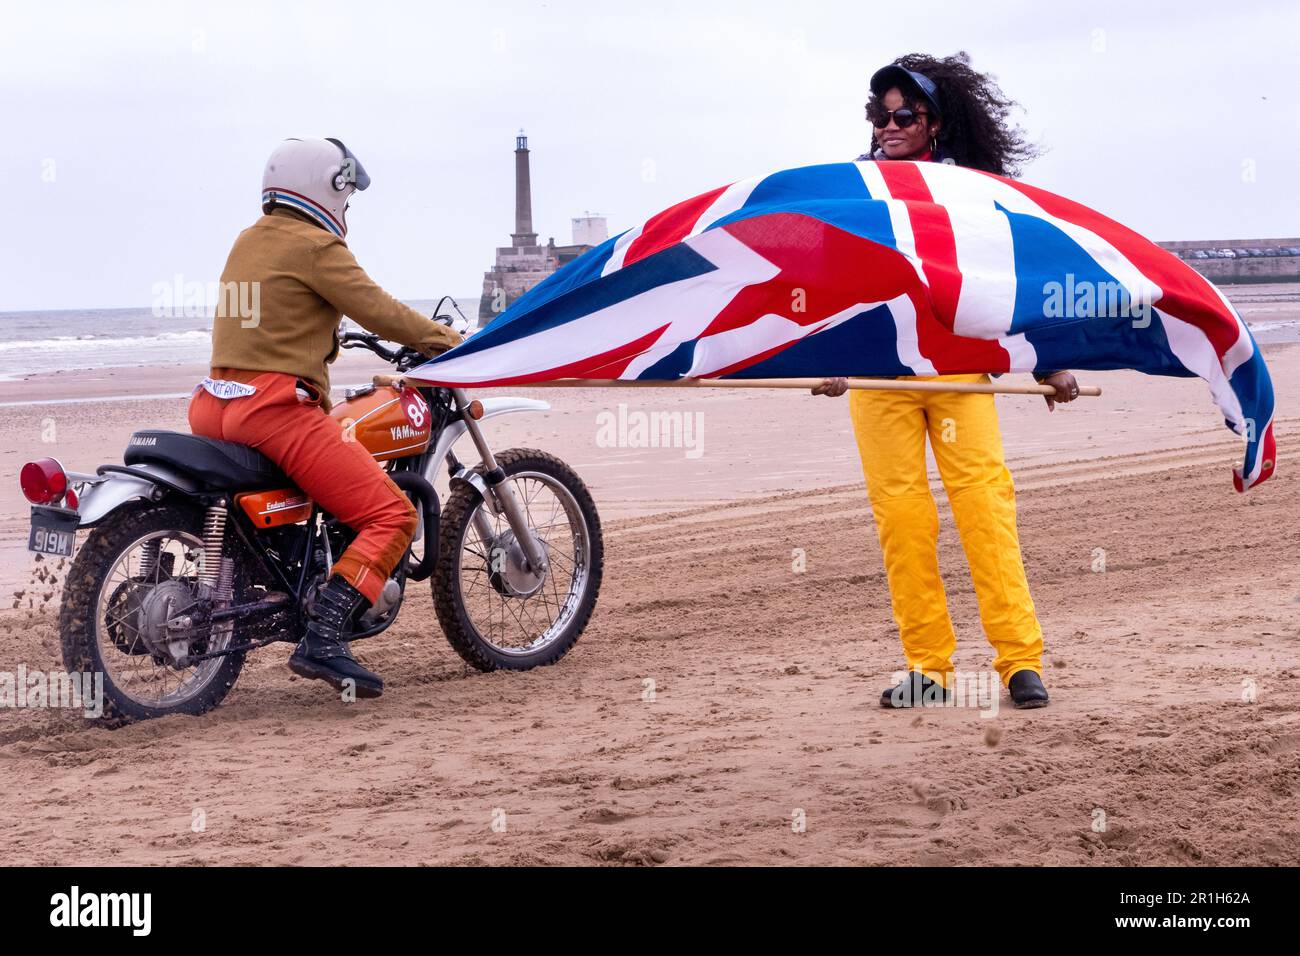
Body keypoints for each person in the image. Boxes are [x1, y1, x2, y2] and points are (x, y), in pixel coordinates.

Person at [814, 54, 1078, 709]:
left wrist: (1047, 361)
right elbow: (832, 283)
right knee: (903, 525)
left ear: (935, 123)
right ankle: (928, 669)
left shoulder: (971, 194)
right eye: (882, 114)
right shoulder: (857, 192)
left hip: (961, 375)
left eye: (906, 115)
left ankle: (1020, 661)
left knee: (984, 513)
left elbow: (1009, 277)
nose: (891, 125)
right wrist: (822, 354)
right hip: (879, 382)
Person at [189, 137, 462, 699]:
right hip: (272, 410)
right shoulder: (315, 246)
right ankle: (325, 637)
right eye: (347, 195)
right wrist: (450, 342)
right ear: (327, 188)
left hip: (214, 404)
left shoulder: (250, 240)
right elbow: (381, 310)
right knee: (390, 514)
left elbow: (272, 315)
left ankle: (287, 589)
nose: (347, 209)